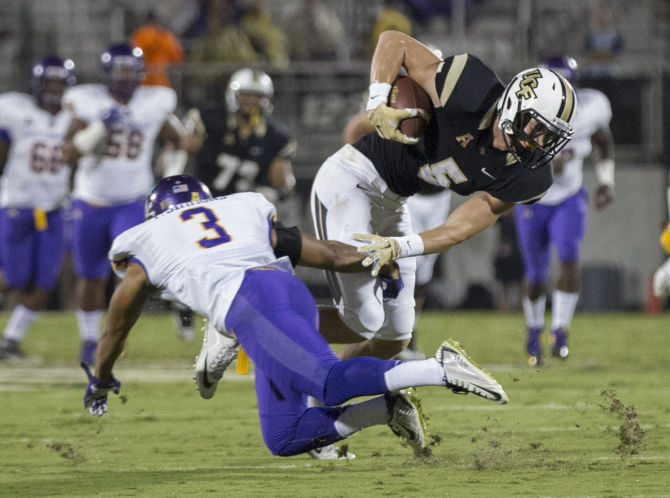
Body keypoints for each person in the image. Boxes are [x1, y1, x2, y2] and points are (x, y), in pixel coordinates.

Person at [80, 174, 509, 460]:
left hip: (251, 303)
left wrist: (101, 378)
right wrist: (378, 262)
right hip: (284, 293)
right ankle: (385, 409)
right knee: (284, 438)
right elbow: (330, 254)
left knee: (328, 382)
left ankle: (439, 367)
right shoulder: (240, 209)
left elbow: (116, 328)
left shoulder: (147, 240)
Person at [311, 30, 577, 362]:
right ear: (513, 105)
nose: (539, 142)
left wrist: (400, 246)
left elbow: (461, 227)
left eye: (549, 137)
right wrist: (378, 101)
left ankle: (326, 393)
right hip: (354, 177)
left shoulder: (527, 175)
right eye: (536, 128)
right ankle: (259, 314)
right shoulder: (470, 87)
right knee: (362, 318)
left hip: (396, 200)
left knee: (396, 336)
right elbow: (395, 41)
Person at [61, 43, 191, 365]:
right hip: (90, 200)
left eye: (128, 70)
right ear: (106, 74)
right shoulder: (89, 102)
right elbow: (66, 153)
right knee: (90, 277)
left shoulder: (152, 103)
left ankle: (116, 335)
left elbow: (178, 140)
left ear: (139, 73)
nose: (123, 77)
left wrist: (171, 172)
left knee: (136, 272)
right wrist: (97, 129)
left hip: (132, 201)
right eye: (117, 70)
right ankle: (90, 340)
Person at [173, 67, 297, 340]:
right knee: (196, 261)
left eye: (256, 96)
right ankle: (184, 308)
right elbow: (182, 149)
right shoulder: (210, 120)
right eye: (246, 95)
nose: (251, 102)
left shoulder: (275, 135)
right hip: (205, 203)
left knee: (250, 262)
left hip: (240, 208)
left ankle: (244, 317)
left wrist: (274, 193)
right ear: (233, 96)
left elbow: (284, 181)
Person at [514, 56, 615, 366]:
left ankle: (560, 331)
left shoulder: (590, 108)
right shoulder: (525, 112)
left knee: (569, 261)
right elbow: (506, 154)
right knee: (535, 275)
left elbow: (604, 141)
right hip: (533, 198)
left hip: (570, 197)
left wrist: (606, 181)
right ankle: (534, 332)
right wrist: (541, 163)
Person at [341, 109, 451, 361]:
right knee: (403, 266)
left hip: (439, 195)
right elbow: (356, 128)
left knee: (423, 276)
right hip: (405, 194)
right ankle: (390, 333)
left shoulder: (449, 107)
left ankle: (408, 332)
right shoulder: (408, 100)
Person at [0, 57, 76, 360]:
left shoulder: (75, 117)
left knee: (44, 280)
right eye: (49, 82)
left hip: (54, 209)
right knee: (14, 278)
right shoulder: (16, 110)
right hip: (18, 206)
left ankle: (9, 341)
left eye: (59, 82)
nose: (54, 89)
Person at [130, 10, 185, 88]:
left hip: (142, 81)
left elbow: (133, 56)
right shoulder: (166, 35)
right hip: (161, 81)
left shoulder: (139, 35)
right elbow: (177, 57)